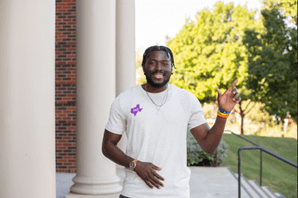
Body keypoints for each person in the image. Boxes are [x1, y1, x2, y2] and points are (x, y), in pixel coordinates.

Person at [102, 45, 241, 198]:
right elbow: (107, 145)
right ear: (143, 66)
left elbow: (209, 146)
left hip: (175, 193)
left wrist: (223, 113)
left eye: (165, 63)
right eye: (152, 62)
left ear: (172, 68)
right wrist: (134, 164)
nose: (159, 68)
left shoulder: (186, 99)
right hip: (134, 193)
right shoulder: (125, 100)